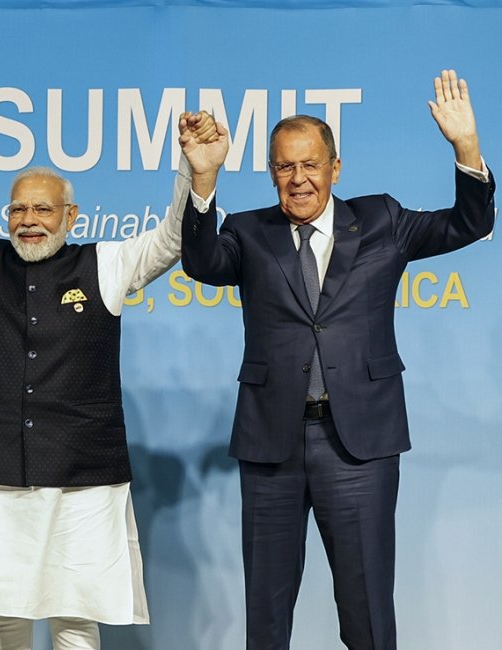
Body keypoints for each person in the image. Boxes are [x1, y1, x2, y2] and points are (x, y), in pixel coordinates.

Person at [0, 114, 217, 650]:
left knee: (75, 619)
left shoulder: (108, 263)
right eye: (18, 209)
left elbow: (173, 239)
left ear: (71, 216)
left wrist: (196, 175)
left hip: (81, 476)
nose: (28, 220)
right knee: (3, 617)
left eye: (42, 209)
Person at [180, 70, 494, 650]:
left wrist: (466, 149)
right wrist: (204, 179)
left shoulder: (381, 220)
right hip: (272, 443)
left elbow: (470, 224)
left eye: (309, 165)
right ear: (272, 172)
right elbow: (200, 263)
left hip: (360, 444)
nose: (297, 179)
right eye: (283, 167)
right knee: (266, 617)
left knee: (367, 610)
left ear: (334, 168)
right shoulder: (248, 231)